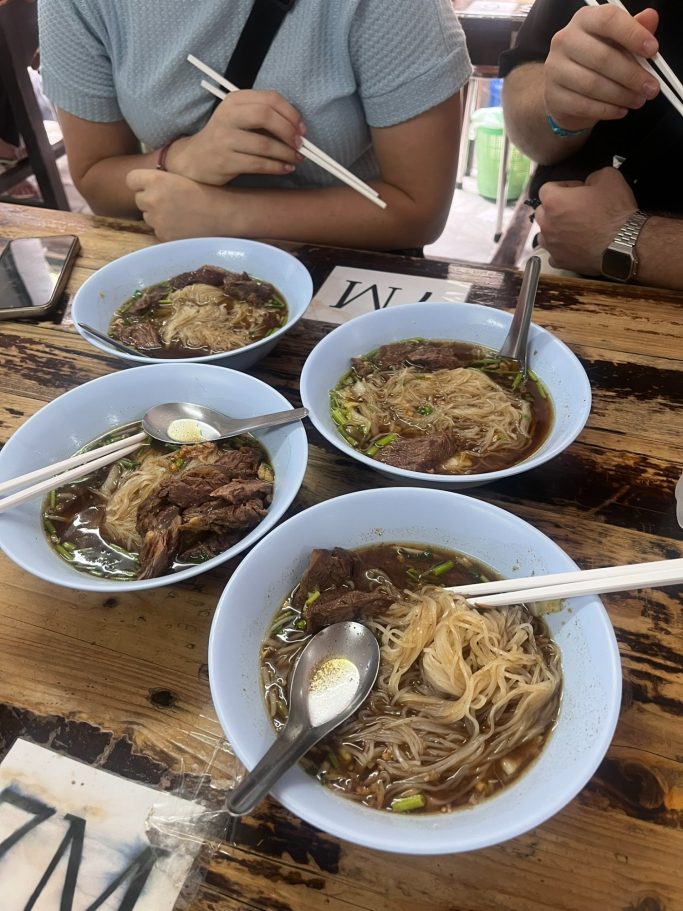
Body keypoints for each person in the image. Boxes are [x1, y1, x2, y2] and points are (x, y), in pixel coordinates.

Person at [37, 0, 471, 252]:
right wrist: (180, 158)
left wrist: (227, 215)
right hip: (183, 268)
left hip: (356, 268)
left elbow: (419, 213)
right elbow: (96, 181)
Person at [500, 0, 683, 290]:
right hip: (570, 264)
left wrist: (630, 237)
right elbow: (523, 101)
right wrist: (560, 109)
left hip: (592, 247)